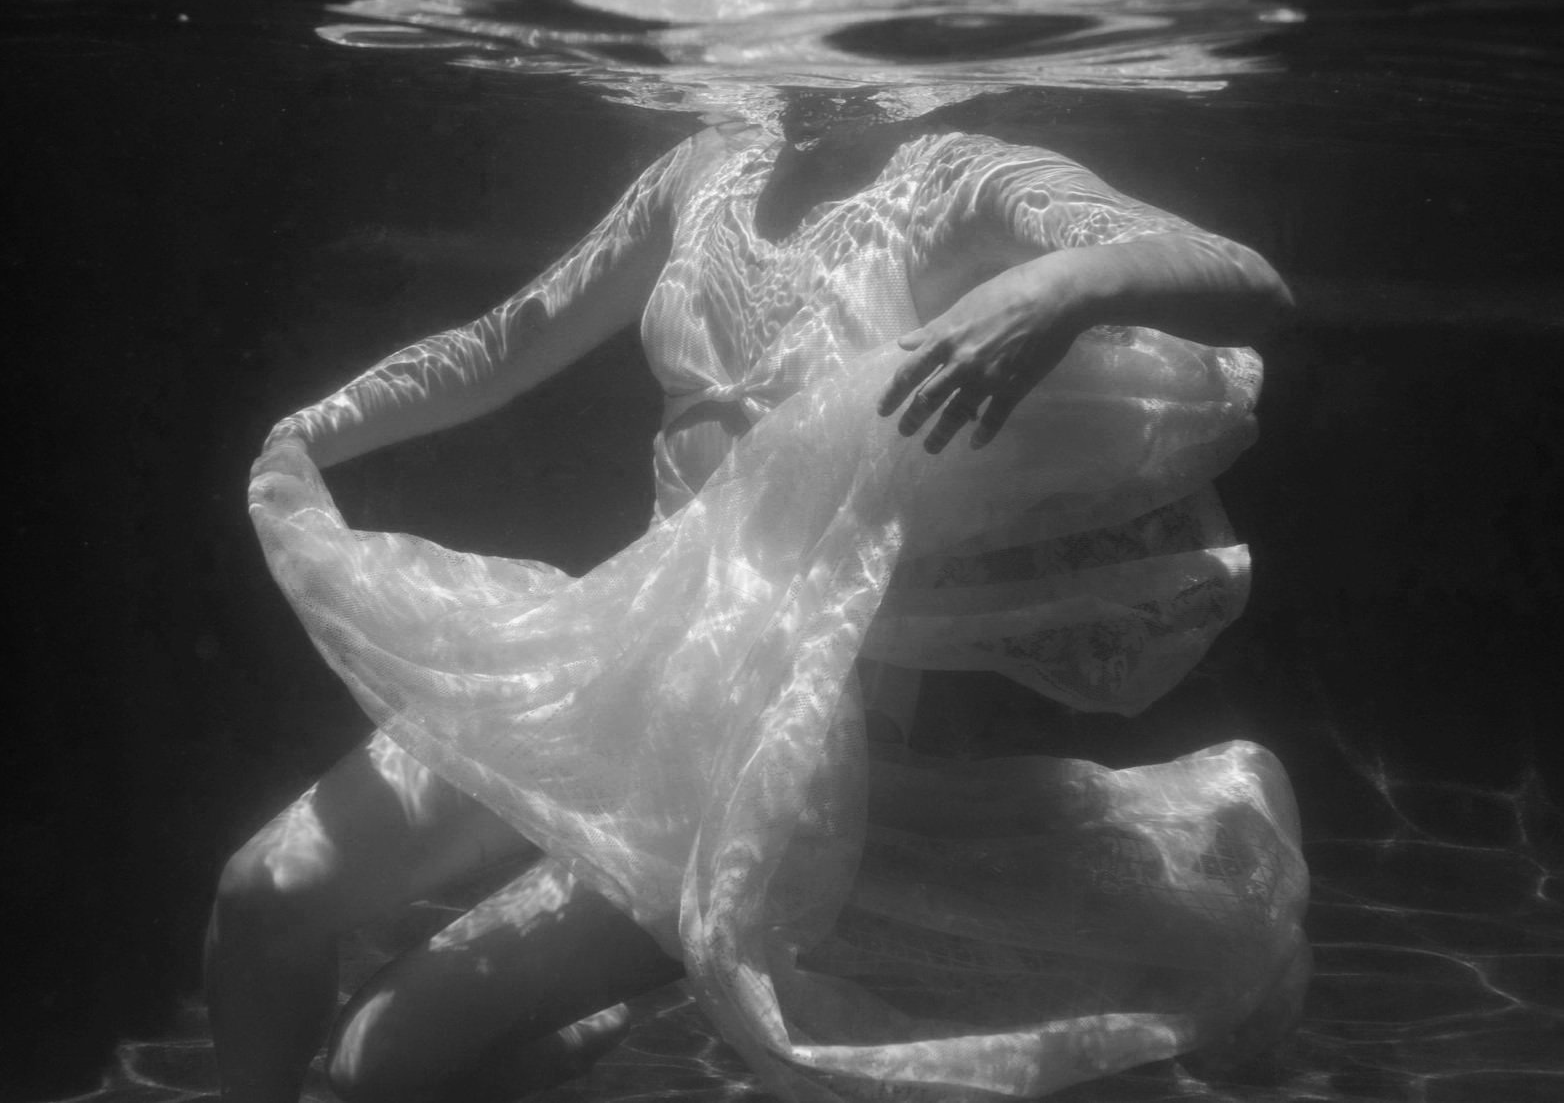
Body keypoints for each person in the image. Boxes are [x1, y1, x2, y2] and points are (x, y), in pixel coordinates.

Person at [213, 108, 1308, 1103]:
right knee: (264, 895)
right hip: (613, 652)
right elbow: (510, 336)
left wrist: (1058, 289)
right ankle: (557, 1032)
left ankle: (560, 1013)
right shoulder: (709, 162)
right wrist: (315, 428)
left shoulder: (965, 183)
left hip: (775, 750)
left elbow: (1243, 277)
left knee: (376, 1066)